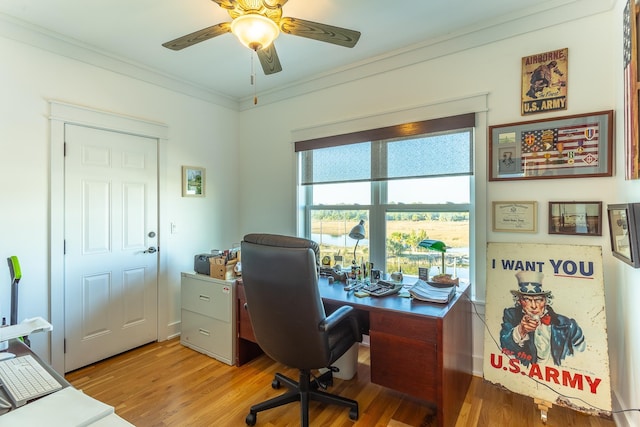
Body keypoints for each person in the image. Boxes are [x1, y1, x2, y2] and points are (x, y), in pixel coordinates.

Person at [500, 271, 585, 366]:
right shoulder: (511, 315)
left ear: (546, 300)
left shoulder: (568, 324)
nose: (533, 306)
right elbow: (504, 345)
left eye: (539, 299)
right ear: (519, 301)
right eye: (527, 299)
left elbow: (581, 356)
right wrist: (521, 330)